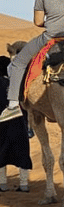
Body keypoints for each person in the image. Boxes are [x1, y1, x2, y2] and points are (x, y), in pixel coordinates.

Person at [0, 55, 33, 191]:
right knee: (23, 153)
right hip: (20, 124)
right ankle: (24, 185)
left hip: (2, 124)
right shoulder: (19, 82)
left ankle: (2, 185)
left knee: (1, 153)